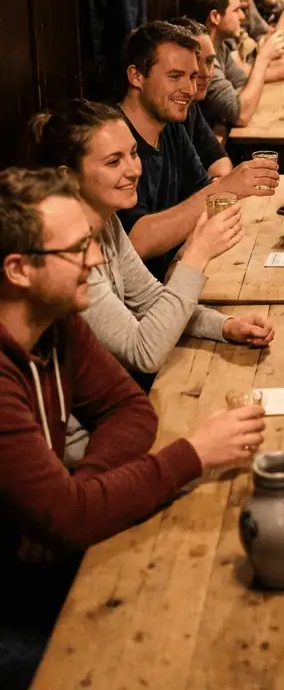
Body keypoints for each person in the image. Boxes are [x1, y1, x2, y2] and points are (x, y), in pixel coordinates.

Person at [0, 167, 265, 689]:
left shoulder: (57, 320)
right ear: (17, 269)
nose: (96, 260)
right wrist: (192, 453)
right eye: (77, 250)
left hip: (50, 565)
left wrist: (78, 498)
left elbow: (131, 410)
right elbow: (74, 517)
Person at [26, 100, 274, 380]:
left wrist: (224, 326)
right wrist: (197, 254)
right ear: (67, 177)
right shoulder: (64, 255)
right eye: (113, 161)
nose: (134, 170)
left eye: (133, 153)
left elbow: (150, 300)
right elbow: (143, 352)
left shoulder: (107, 223)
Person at [117, 22, 278, 281]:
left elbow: (202, 196)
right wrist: (226, 187)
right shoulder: (113, 142)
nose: (190, 90)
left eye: (192, 77)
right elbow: (135, 242)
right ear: (136, 76)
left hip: (174, 282)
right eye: (175, 76)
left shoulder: (170, 126)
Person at [181, 0, 284, 130]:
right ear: (215, 17)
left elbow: (243, 84)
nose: (243, 16)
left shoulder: (219, 47)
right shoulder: (201, 61)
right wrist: (263, 58)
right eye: (236, 10)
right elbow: (241, 115)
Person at [168, 16, 232, 178]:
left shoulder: (190, 107)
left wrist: (215, 184)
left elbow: (220, 159)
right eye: (195, 61)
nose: (205, 73)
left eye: (210, 61)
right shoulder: (166, 113)